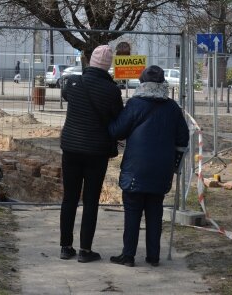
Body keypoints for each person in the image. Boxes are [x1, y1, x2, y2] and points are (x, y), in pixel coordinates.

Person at [108, 65, 189, 267]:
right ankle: (153, 256)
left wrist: (107, 121)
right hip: (162, 170)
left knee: (133, 212)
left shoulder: (135, 104)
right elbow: (183, 138)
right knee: (155, 212)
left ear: (142, 82)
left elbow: (117, 131)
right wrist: (174, 164)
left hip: (136, 169)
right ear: (163, 84)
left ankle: (128, 256)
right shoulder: (172, 107)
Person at [59, 44, 123, 263]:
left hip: (71, 147)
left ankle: (65, 247)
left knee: (69, 198)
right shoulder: (112, 90)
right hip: (96, 151)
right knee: (91, 200)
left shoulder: (73, 82)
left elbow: (66, 94)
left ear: (90, 62)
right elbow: (118, 117)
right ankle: (85, 250)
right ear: (108, 66)